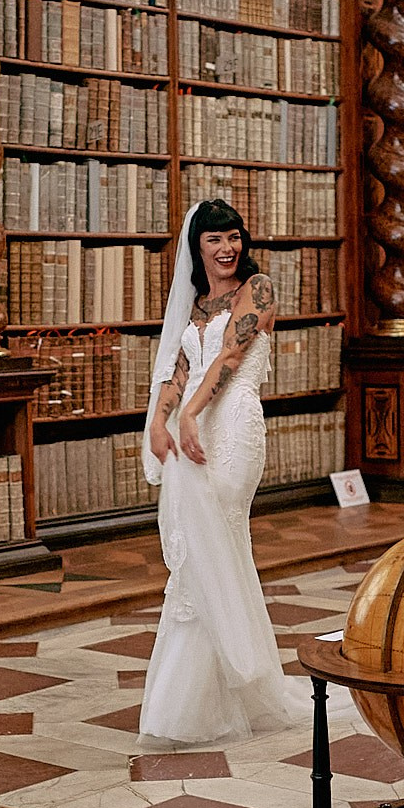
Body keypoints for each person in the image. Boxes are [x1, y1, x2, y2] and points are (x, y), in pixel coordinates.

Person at [138, 200, 313, 742]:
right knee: (196, 557)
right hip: (191, 429)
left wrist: (191, 414)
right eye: (214, 239)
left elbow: (230, 360)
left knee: (216, 540)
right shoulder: (195, 304)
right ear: (199, 247)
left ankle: (210, 694)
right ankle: (216, 694)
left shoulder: (257, 289)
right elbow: (180, 370)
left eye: (233, 236)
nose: (226, 248)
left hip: (232, 429)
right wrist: (160, 421)